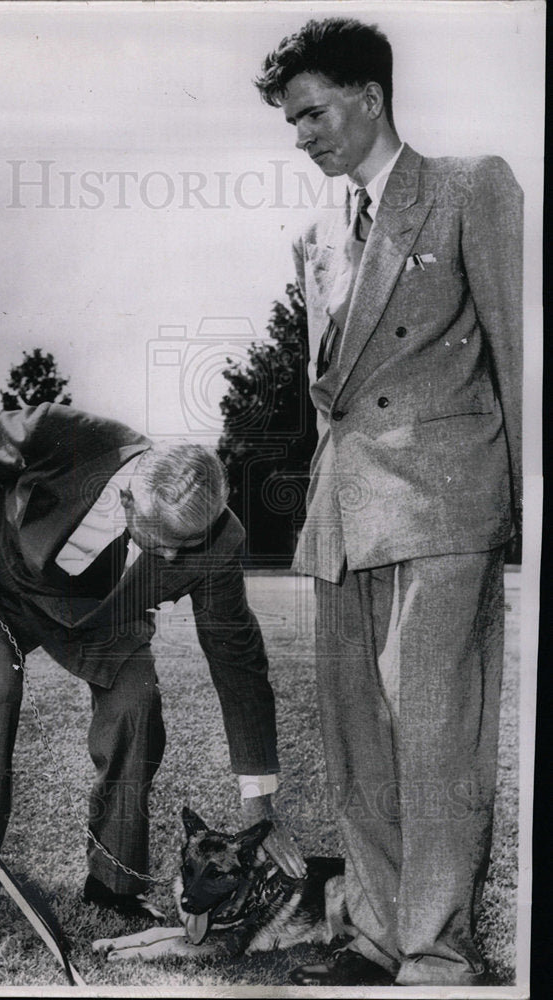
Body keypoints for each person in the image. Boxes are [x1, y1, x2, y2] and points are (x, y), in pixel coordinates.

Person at [254, 17, 522, 988]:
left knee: (439, 731)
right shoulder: (313, 236)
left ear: (370, 95)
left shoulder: (468, 187)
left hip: (448, 502)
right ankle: (371, 932)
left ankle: (437, 948)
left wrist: (528, 502)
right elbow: (327, 394)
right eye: (291, 122)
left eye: (313, 113)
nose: (302, 137)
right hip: (344, 511)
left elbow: (516, 350)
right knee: (357, 736)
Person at [0, 401, 306, 943]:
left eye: (184, 548)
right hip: (4, 588)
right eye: (159, 540)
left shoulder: (220, 540)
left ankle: (113, 883)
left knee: (137, 704)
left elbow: (239, 664)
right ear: (130, 494)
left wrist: (259, 799)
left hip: (101, 620)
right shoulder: (63, 433)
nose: (170, 557)